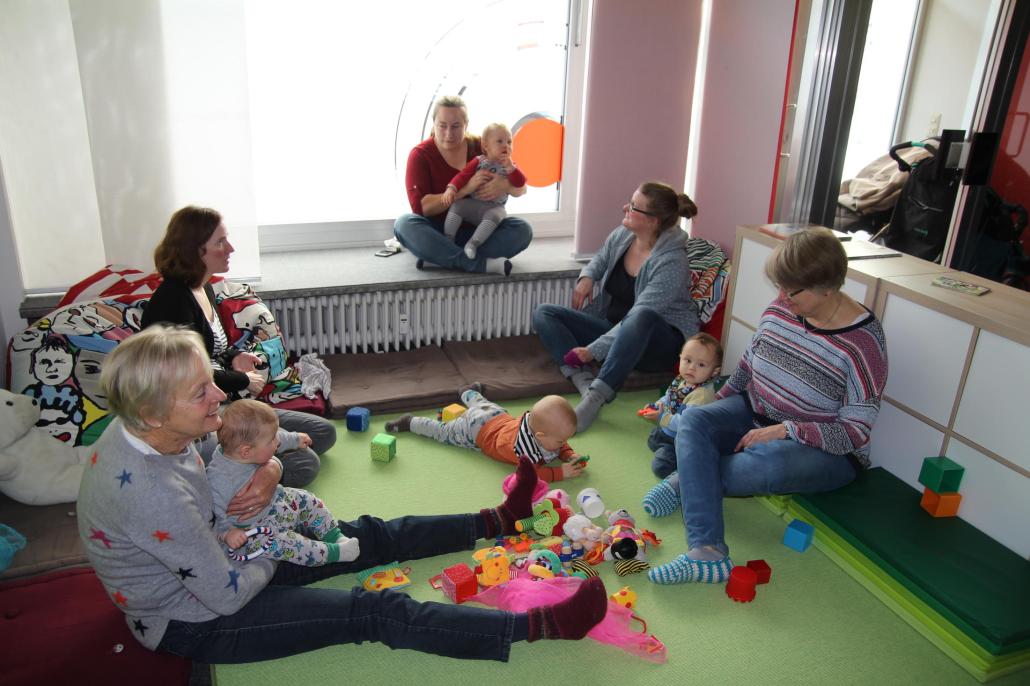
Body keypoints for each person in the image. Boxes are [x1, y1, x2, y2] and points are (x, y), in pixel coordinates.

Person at [77, 326, 608, 663]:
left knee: (369, 535)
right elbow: (226, 593)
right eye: (201, 392)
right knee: (372, 609)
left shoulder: (159, 430)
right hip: (201, 616)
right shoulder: (149, 493)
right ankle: (540, 625)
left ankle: (495, 519)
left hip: (228, 552)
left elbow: (233, 462)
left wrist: (270, 469)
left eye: (209, 381)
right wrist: (288, 545)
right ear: (152, 413)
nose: (219, 393)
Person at [647, 227, 888, 586]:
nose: (780, 297)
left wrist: (786, 430)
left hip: (823, 450)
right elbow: (747, 365)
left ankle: (687, 481)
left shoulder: (862, 343)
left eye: (790, 291)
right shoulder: (782, 307)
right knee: (695, 419)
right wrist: (716, 416)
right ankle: (708, 551)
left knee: (763, 467)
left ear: (827, 287)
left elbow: (854, 433)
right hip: (755, 412)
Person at [142, 206, 336, 487]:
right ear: (194, 251)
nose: (230, 248)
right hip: (202, 415)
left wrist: (235, 356)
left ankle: (251, 462)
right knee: (305, 463)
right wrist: (243, 379)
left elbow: (211, 348)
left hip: (230, 405)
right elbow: (189, 375)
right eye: (220, 243)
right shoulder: (172, 302)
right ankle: (225, 479)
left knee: (324, 432)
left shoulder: (203, 287)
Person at [533, 181, 700, 432]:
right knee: (544, 313)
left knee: (641, 315)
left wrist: (593, 350)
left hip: (657, 346)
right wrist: (587, 277)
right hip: (614, 330)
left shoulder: (672, 263)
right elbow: (601, 257)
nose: (625, 208)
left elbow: (638, 316)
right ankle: (583, 379)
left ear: (653, 221)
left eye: (633, 207)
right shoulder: (624, 235)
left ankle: (596, 397)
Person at [209, 400, 360, 566]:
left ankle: (335, 536)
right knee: (290, 545)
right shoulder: (220, 478)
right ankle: (335, 553)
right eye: (272, 441)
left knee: (307, 499)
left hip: (277, 500)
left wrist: (295, 439)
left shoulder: (244, 448)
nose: (277, 442)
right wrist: (227, 533)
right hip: (254, 530)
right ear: (246, 452)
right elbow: (214, 513)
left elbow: (277, 438)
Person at [394, 95, 532, 274]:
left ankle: (441, 258)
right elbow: (422, 208)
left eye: (456, 126)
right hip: (439, 233)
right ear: (433, 124)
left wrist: (504, 186)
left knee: (522, 229)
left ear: (466, 125)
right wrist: (465, 189)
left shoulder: (481, 146)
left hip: (480, 231)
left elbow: (522, 187)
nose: (449, 133)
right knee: (403, 224)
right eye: (442, 126)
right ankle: (480, 264)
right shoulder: (420, 155)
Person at [385, 384, 587, 482]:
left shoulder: (536, 424)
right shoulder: (523, 450)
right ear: (541, 436)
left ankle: (467, 391)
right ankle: (410, 422)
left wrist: (569, 454)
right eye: (561, 441)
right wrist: (560, 472)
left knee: (480, 402)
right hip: (475, 430)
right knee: (442, 431)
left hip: (496, 415)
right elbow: (530, 476)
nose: (564, 444)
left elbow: (558, 443)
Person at [639, 333, 722, 517]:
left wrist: (662, 418)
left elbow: (686, 423)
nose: (691, 367)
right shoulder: (681, 381)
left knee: (660, 467)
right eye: (688, 360)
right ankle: (667, 446)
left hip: (684, 439)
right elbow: (668, 398)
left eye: (701, 365)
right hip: (669, 430)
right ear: (680, 358)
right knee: (653, 440)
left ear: (714, 371)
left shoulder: (702, 395)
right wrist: (656, 405)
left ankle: (685, 468)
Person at [441, 122, 526, 261]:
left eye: (509, 142)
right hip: (474, 205)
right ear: (486, 145)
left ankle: (473, 244)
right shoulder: (479, 161)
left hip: (495, 207)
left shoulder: (511, 167)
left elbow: (521, 183)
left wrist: (510, 169)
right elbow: (462, 176)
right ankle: (448, 239)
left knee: (498, 215)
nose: (506, 145)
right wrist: (451, 188)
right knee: (457, 206)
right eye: (500, 141)